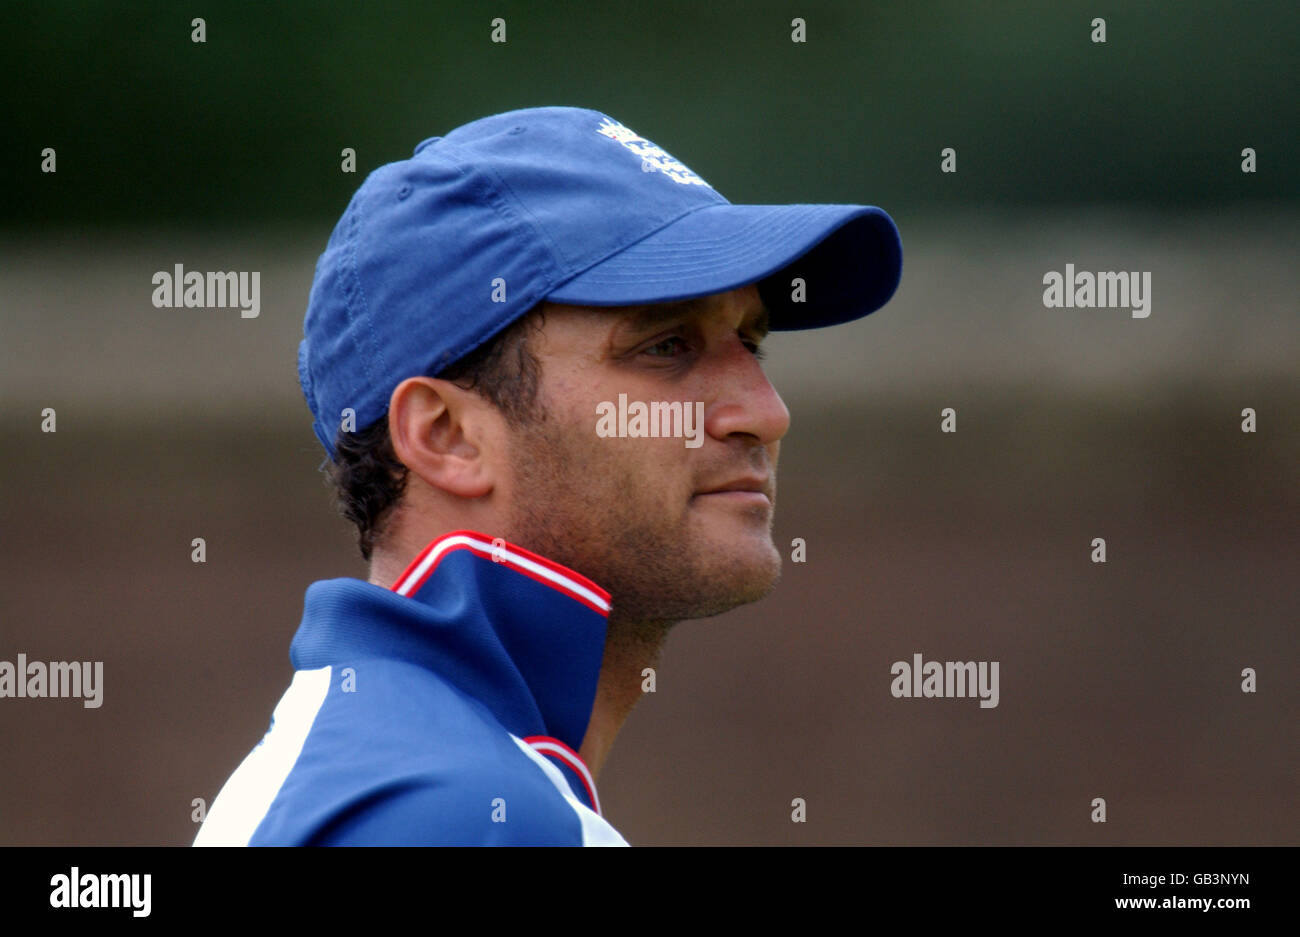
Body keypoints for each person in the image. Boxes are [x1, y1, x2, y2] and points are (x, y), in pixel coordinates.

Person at [194, 105, 902, 846]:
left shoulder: (412, 775)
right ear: (447, 436)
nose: (766, 411)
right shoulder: (447, 814)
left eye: (751, 343)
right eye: (665, 346)